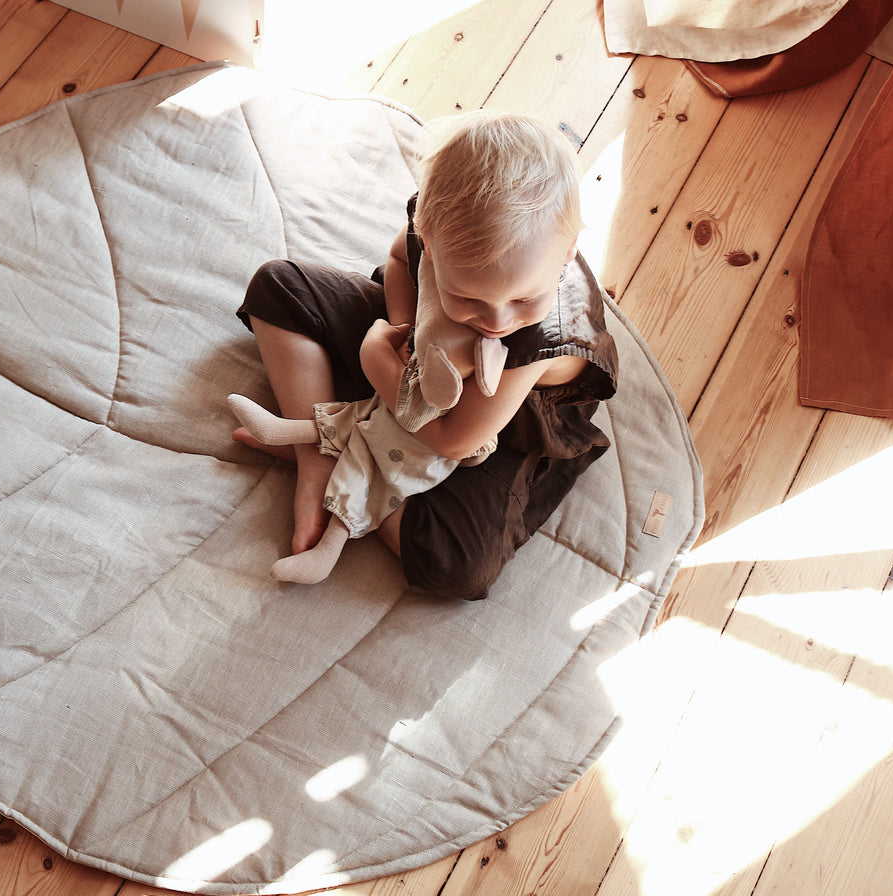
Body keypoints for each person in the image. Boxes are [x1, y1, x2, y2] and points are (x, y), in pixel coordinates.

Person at [233, 110, 618, 599]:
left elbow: (454, 440)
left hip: (503, 422)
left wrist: (379, 363)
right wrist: (405, 335)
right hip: (425, 364)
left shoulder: (542, 332)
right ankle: (317, 459)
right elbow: (397, 260)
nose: (497, 320)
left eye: (522, 299)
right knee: (278, 286)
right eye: (468, 298)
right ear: (432, 241)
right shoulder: (434, 229)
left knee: (457, 565)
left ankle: (355, 471)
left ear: (569, 251)